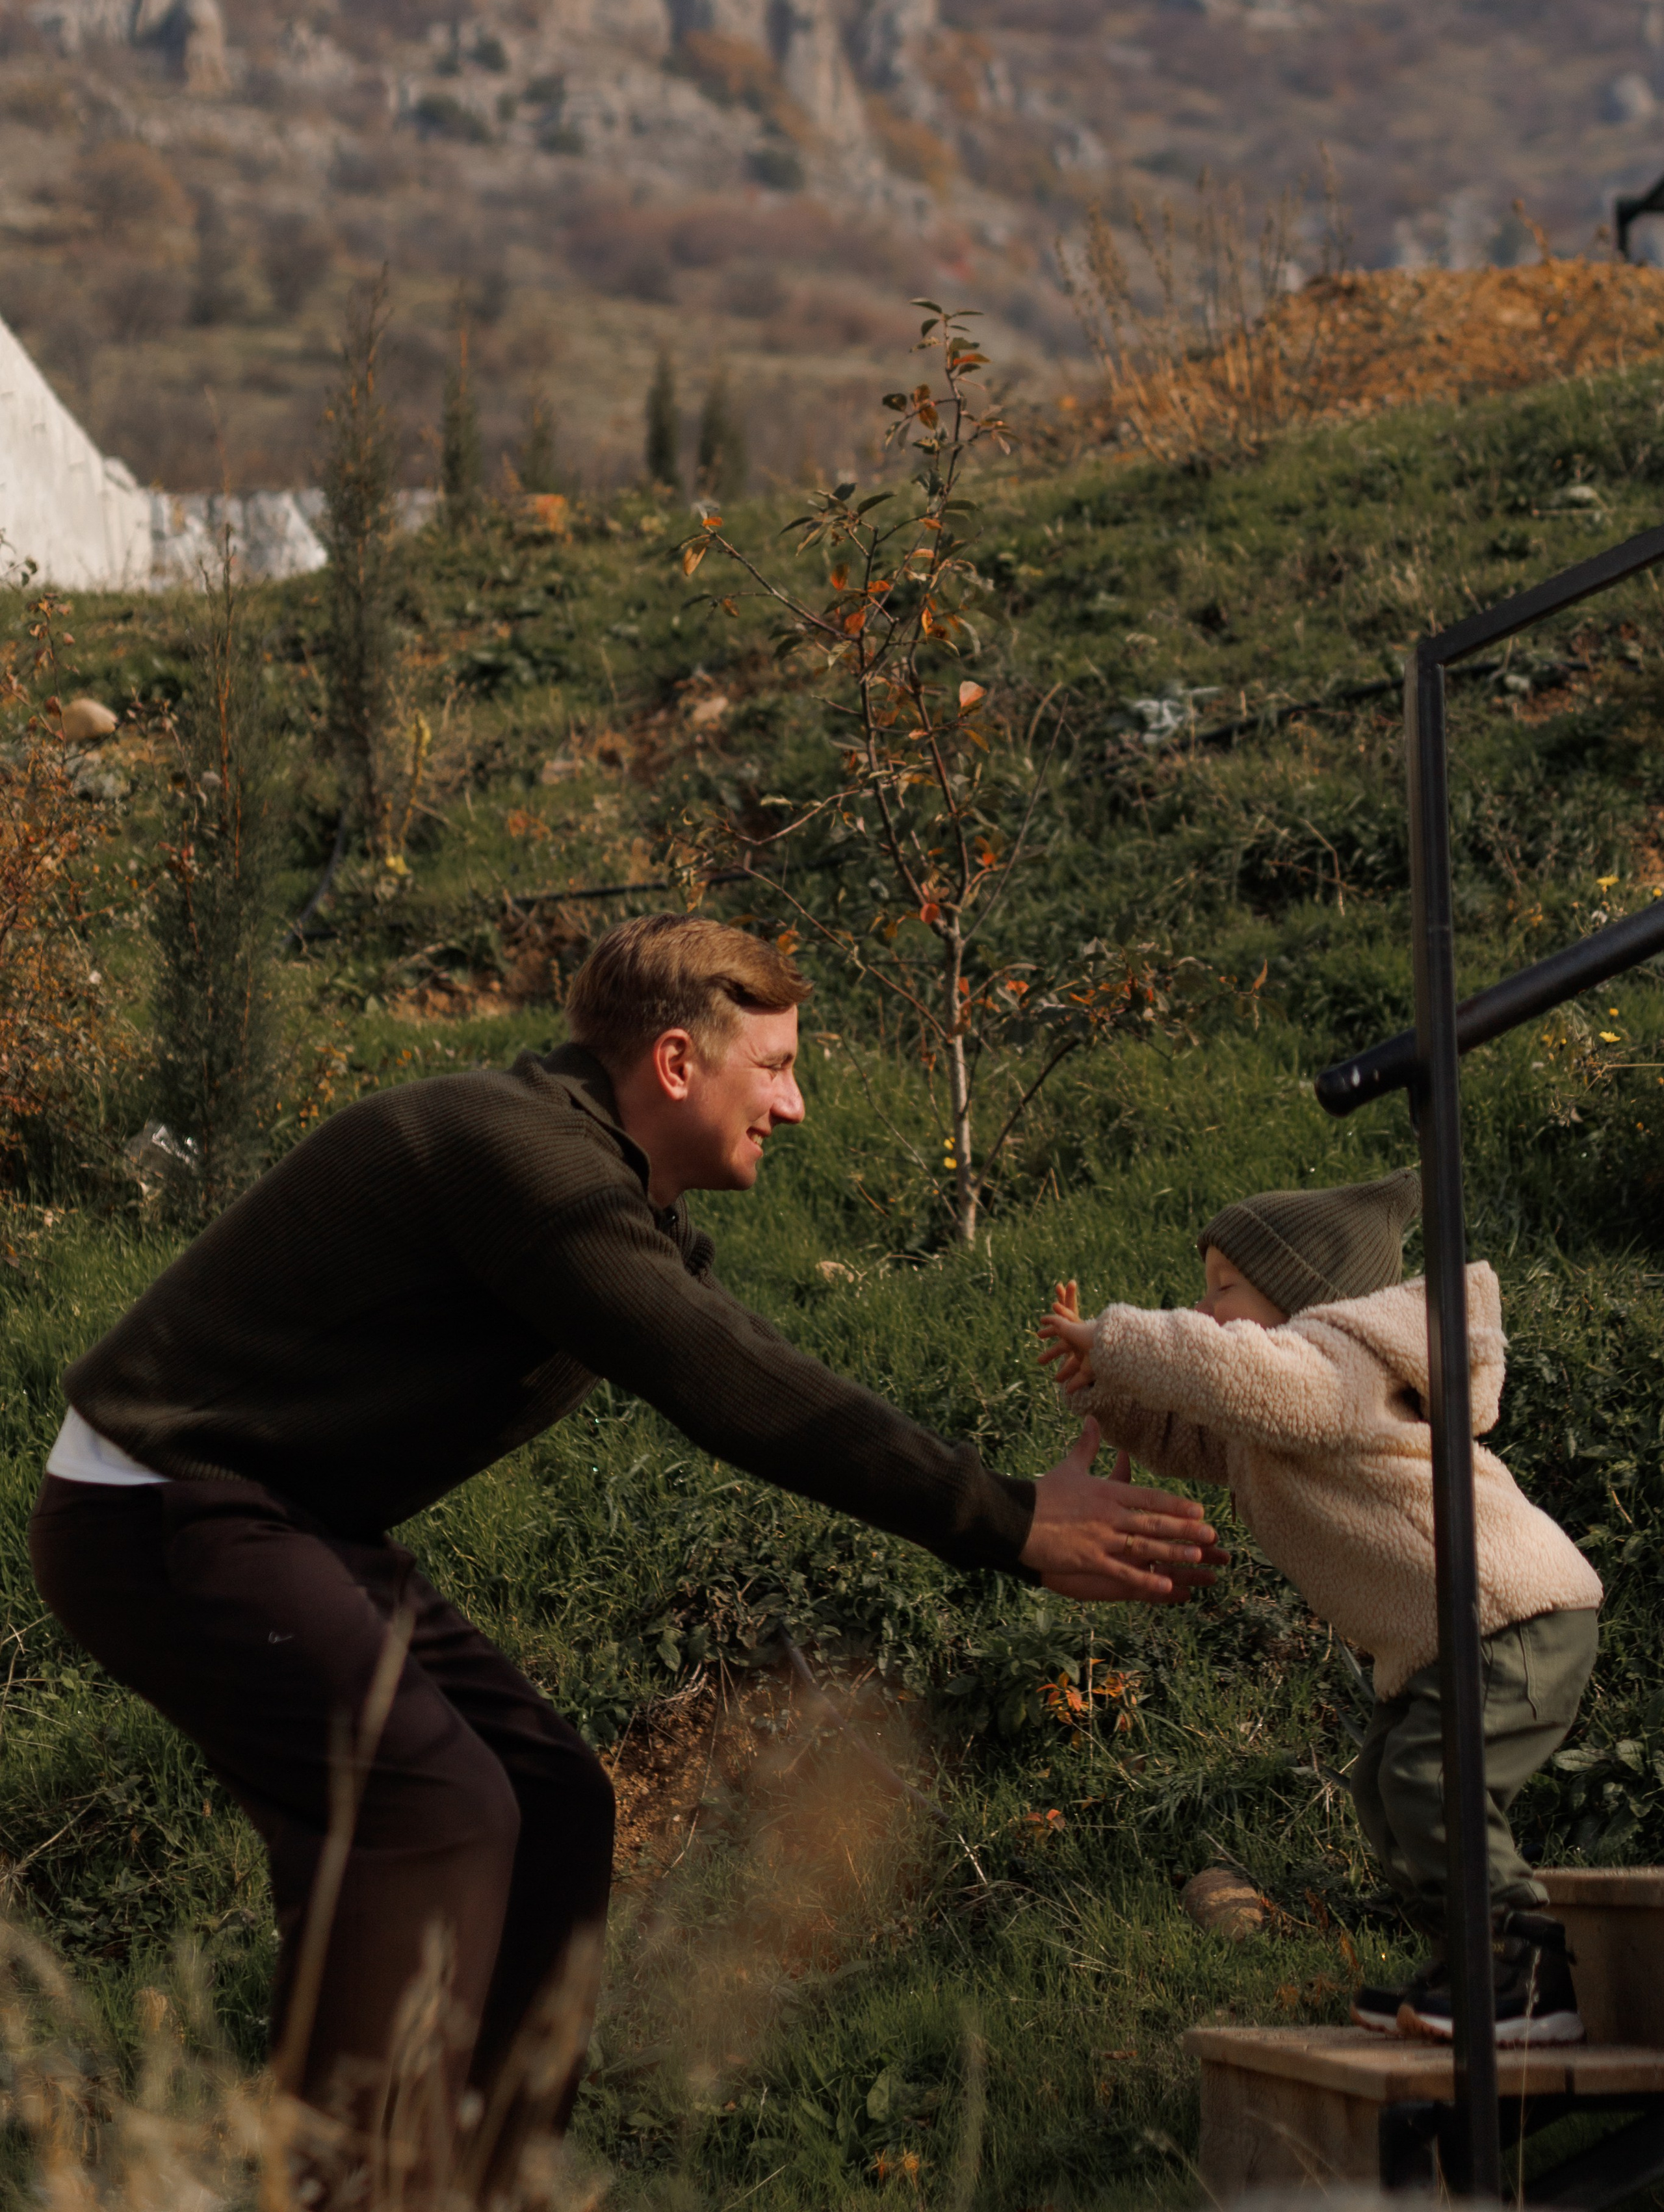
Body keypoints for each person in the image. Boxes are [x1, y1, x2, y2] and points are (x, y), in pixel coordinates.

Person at [29, 913, 1223, 2188]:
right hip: (161, 1505)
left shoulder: (598, 1188)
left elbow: (744, 1355)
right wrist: (1007, 1518)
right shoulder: (526, 1162)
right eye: (771, 1067)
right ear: (672, 1064)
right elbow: (720, 1379)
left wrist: (1119, 1399)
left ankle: (484, 2172)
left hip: (287, 1517)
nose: (797, 1104)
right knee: (435, 1816)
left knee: (546, 1800)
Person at [1037, 1166, 1603, 2046]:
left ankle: (1528, 1968)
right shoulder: (1285, 1406)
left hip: (1512, 1616)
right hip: (1452, 1637)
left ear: (1306, 1295)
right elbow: (1195, 1434)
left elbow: (1219, 1366)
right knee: (1385, 1791)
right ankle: (1471, 1966)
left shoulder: (1336, 1364)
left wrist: (1115, 1336)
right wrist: (1101, 1388)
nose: (1206, 1303)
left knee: (1427, 1781)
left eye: (1225, 1285)